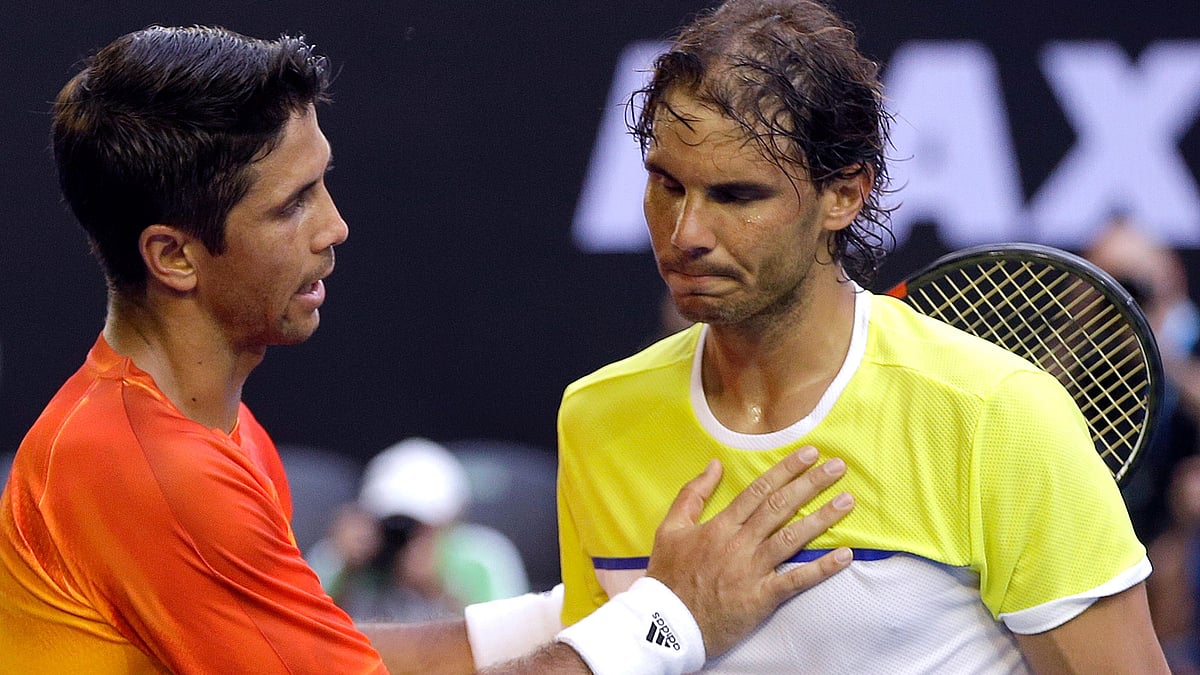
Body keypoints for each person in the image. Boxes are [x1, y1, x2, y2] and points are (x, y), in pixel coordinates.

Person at [0, 24, 857, 674]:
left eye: (323, 183)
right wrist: (670, 621)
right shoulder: (154, 470)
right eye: (291, 204)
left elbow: (325, 649)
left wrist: (579, 610)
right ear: (174, 255)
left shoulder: (190, 428)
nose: (335, 227)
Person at [548, 0, 1169, 671]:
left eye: (737, 195)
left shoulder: (997, 412)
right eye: (666, 184)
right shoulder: (596, 418)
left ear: (844, 194)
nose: (684, 232)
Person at [308, 437, 530, 622]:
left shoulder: (485, 557)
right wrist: (345, 573)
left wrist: (437, 589)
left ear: (452, 520)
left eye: (420, 525)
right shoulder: (337, 557)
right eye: (392, 521)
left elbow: (507, 645)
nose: (404, 535)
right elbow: (306, 637)